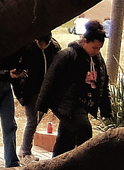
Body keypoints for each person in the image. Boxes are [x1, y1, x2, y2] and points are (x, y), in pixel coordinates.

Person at [36, 20, 112, 156]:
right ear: (84, 41)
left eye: (99, 48)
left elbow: (103, 83)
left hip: (83, 104)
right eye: (94, 47)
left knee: (66, 138)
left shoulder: (98, 60)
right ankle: (82, 166)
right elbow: (50, 80)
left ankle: (56, 168)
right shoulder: (67, 55)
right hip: (65, 104)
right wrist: (42, 106)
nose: (97, 51)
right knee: (84, 130)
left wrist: (106, 109)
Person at [16, 35, 61, 161]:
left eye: (44, 45)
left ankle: (26, 148)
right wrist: (21, 93)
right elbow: (20, 68)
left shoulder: (55, 48)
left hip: (46, 90)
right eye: (39, 44)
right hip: (31, 91)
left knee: (37, 118)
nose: (42, 47)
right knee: (32, 120)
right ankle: (25, 151)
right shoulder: (29, 48)